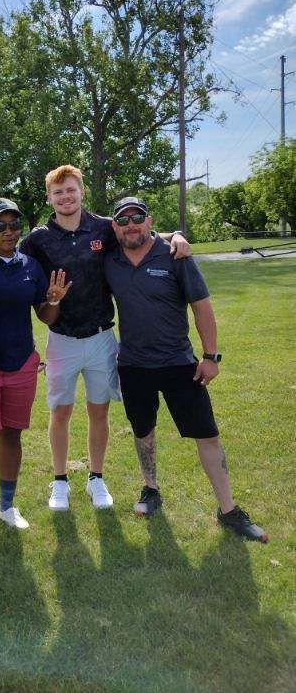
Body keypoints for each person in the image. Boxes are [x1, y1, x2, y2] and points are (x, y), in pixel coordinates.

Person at [18, 165, 190, 513]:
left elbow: (140, 236)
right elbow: (10, 261)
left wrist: (175, 236)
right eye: (58, 192)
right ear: (49, 197)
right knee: (60, 411)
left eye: (71, 190)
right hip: (62, 338)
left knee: (99, 411)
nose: (65, 197)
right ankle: (60, 481)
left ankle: (96, 477)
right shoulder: (38, 239)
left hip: (100, 336)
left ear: (82, 192)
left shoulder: (102, 228)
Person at [104, 196, 268, 541]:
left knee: (206, 434)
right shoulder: (110, 259)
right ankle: (151, 488)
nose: (131, 224)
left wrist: (211, 356)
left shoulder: (175, 255)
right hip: (133, 366)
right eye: (123, 219)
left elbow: (202, 306)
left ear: (150, 221)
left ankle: (228, 509)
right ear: (114, 225)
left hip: (180, 364)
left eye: (138, 218)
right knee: (143, 430)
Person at [0, 198, 72, 539]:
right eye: (0, 225)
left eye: (14, 225)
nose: (8, 232)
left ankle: (6, 506)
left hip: (22, 362)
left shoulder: (30, 265)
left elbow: (44, 315)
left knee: (11, 434)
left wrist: (53, 300)